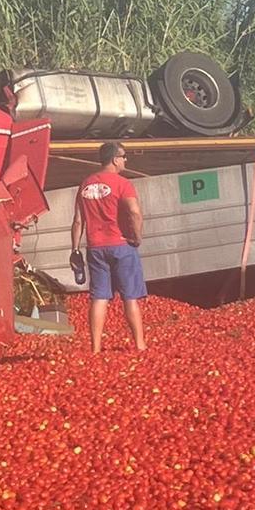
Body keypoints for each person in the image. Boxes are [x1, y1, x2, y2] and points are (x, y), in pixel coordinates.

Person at [70, 141, 147, 353]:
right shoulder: (122, 183)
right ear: (114, 159)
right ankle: (139, 345)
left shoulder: (85, 184)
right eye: (124, 156)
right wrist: (137, 236)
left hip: (95, 247)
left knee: (99, 297)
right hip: (121, 245)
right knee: (130, 297)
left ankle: (95, 348)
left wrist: (75, 249)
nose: (125, 160)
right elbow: (134, 212)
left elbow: (78, 221)